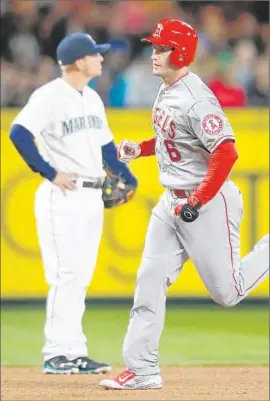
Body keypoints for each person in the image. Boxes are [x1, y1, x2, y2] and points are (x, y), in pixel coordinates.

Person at [100, 19, 269, 390]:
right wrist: (140, 150)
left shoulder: (196, 98)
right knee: (149, 280)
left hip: (206, 203)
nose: (154, 54)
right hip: (171, 202)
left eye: (162, 48)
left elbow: (226, 152)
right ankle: (142, 370)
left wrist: (197, 200)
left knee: (228, 293)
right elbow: (170, 137)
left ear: (181, 53)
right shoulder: (168, 88)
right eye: (155, 47)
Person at [9, 32, 138, 374]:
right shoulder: (49, 96)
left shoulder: (92, 99)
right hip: (63, 195)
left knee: (79, 277)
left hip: (92, 194)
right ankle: (56, 353)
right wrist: (49, 172)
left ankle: (74, 351)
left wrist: (127, 176)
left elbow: (107, 149)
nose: (101, 58)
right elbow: (18, 133)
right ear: (80, 61)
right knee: (65, 275)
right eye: (96, 54)